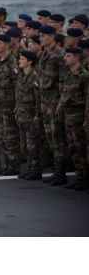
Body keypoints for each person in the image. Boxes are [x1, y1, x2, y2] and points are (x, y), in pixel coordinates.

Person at [38, 25, 68, 185]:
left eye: (44, 36)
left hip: (54, 100)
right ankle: (57, 170)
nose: (41, 38)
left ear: (52, 37)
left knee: (58, 137)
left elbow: (64, 81)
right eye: (40, 35)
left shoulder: (59, 55)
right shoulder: (44, 54)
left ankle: (61, 172)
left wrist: (61, 104)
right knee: (50, 136)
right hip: (45, 101)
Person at [57, 48, 88, 190]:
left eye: (68, 56)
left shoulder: (84, 76)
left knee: (81, 148)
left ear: (76, 58)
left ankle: (85, 178)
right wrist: (60, 106)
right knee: (73, 149)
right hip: (68, 116)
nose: (65, 58)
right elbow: (65, 93)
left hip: (78, 117)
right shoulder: (69, 74)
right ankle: (79, 176)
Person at [0, 33, 21, 175]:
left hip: (9, 106)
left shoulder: (12, 63)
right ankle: (7, 163)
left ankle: (13, 165)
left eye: (0, 43)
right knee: (2, 136)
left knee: (10, 137)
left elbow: (17, 86)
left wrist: (16, 105)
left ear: (7, 45)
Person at [15, 50, 44, 180]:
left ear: (30, 62)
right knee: (24, 146)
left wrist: (37, 115)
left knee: (32, 145)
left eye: (22, 59)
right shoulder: (21, 76)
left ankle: (36, 170)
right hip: (21, 115)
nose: (19, 61)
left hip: (30, 115)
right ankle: (30, 168)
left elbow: (38, 98)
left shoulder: (34, 77)